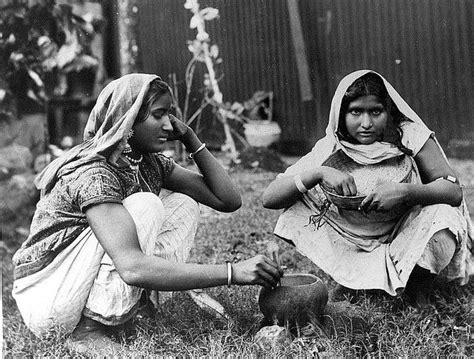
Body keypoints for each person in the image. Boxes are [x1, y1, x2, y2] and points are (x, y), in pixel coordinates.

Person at [12, 74, 282, 351]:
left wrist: (190, 137)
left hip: (77, 282)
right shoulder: (94, 172)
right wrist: (232, 272)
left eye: (170, 114)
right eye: (158, 115)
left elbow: (227, 200)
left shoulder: (147, 163)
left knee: (183, 203)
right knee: (145, 205)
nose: (169, 124)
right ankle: (89, 330)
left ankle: (132, 308)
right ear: (127, 121)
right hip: (50, 297)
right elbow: (131, 266)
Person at [263, 70, 473, 306]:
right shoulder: (331, 146)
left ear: (388, 110)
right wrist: (319, 173)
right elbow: (270, 197)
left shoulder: (409, 135)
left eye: (375, 112)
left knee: (445, 216)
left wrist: (406, 192)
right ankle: (356, 279)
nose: (366, 123)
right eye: (356, 112)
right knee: (295, 209)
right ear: (341, 114)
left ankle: (418, 285)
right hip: (354, 238)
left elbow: (453, 192)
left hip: (406, 231)